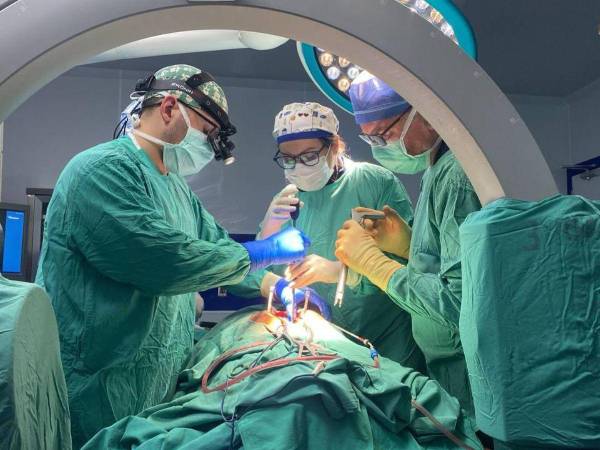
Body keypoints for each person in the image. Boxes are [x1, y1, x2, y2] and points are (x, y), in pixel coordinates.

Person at [35, 64, 310, 447]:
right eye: (207, 132)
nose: (210, 146)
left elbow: (217, 248)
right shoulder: (99, 171)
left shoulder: (177, 190)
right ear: (168, 108)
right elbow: (165, 261)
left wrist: (275, 286)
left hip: (153, 385)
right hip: (95, 388)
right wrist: (265, 251)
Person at [230, 102, 425, 371]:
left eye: (309, 156)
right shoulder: (287, 200)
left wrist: (341, 272)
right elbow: (245, 272)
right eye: (288, 159)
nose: (299, 167)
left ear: (334, 147)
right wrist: (267, 236)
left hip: (386, 342)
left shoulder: (373, 183)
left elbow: (410, 265)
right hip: (319, 346)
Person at [335, 72, 482, 416]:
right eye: (369, 138)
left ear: (427, 115)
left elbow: (461, 304)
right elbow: (452, 263)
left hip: (474, 375)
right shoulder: (435, 171)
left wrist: (375, 264)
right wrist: (409, 246)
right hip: (449, 370)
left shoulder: (457, 176)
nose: (379, 147)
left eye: (383, 134)